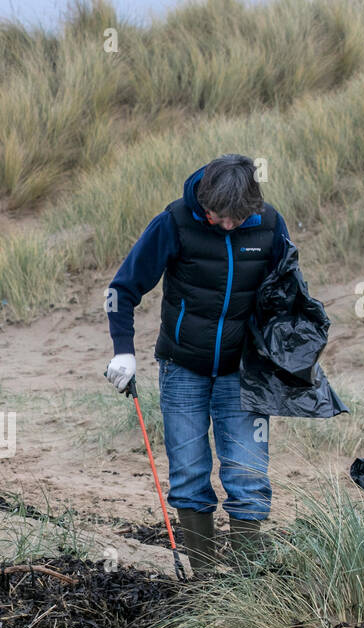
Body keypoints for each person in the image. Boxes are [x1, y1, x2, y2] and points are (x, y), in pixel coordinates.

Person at [104, 154, 290, 574]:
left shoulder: (269, 225)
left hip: (243, 373)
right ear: (203, 199)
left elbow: (288, 291)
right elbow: (123, 288)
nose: (224, 225)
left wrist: (287, 354)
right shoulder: (174, 222)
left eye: (234, 219)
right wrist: (123, 351)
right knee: (188, 474)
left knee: (248, 476)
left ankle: (250, 587)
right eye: (216, 216)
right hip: (182, 367)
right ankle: (204, 583)